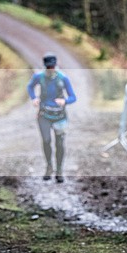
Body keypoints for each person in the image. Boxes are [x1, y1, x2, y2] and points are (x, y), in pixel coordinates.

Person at [26, 52, 77, 183]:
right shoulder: (39, 77)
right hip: (44, 115)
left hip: (60, 116)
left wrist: (65, 101)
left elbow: (73, 97)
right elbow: (30, 87)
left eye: (52, 67)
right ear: (45, 66)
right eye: (48, 67)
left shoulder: (63, 78)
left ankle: (59, 171)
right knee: (46, 140)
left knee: (59, 144)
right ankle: (49, 167)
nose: (50, 69)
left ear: (55, 65)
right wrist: (34, 98)